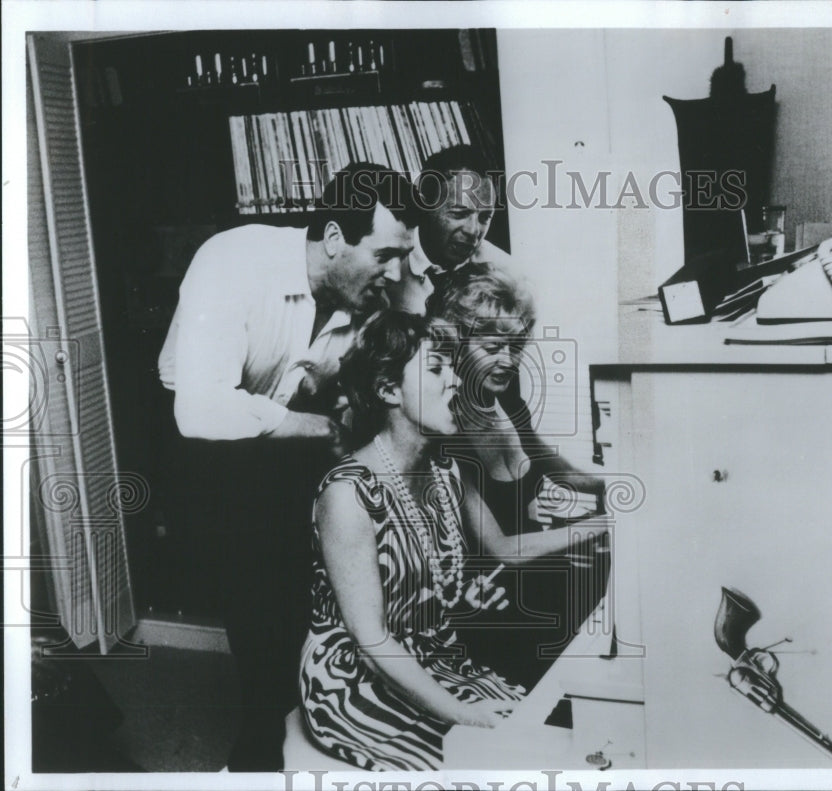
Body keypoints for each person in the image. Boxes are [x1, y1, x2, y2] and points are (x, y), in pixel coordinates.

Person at [157, 163, 419, 771]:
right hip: (201, 432)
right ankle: (257, 755)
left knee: (317, 576)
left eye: (403, 257)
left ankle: (318, 724)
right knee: (256, 588)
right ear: (333, 238)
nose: (396, 272)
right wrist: (323, 426)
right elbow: (198, 408)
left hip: (284, 418)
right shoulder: (230, 262)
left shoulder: (365, 289)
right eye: (384, 254)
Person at [299, 311, 607, 770]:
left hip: (434, 658)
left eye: (453, 369)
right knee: (482, 759)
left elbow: (504, 549)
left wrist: (605, 526)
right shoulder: (346, 496)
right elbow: (373, 640)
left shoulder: (447, 472)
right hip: (356, 679)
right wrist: (463, 713)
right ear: (388, 390)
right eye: (436, 369)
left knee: (542, 734)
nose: (457, 383)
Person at [426, 263, 610, 689]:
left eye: (517, 345)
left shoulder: (505, 400)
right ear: (455, 344)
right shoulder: (442, 430)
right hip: (491, 606)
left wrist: (620, 483)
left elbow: (556, 467)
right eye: (493, 347)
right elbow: (502, 549)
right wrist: (603, 524)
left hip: (538, 579)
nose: (508, 361)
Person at [386, 144, 514, 314]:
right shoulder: (383, 262)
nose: (473, 231)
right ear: (423, 205)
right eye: (459, 213)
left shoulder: (505, 275)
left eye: (485, 218)